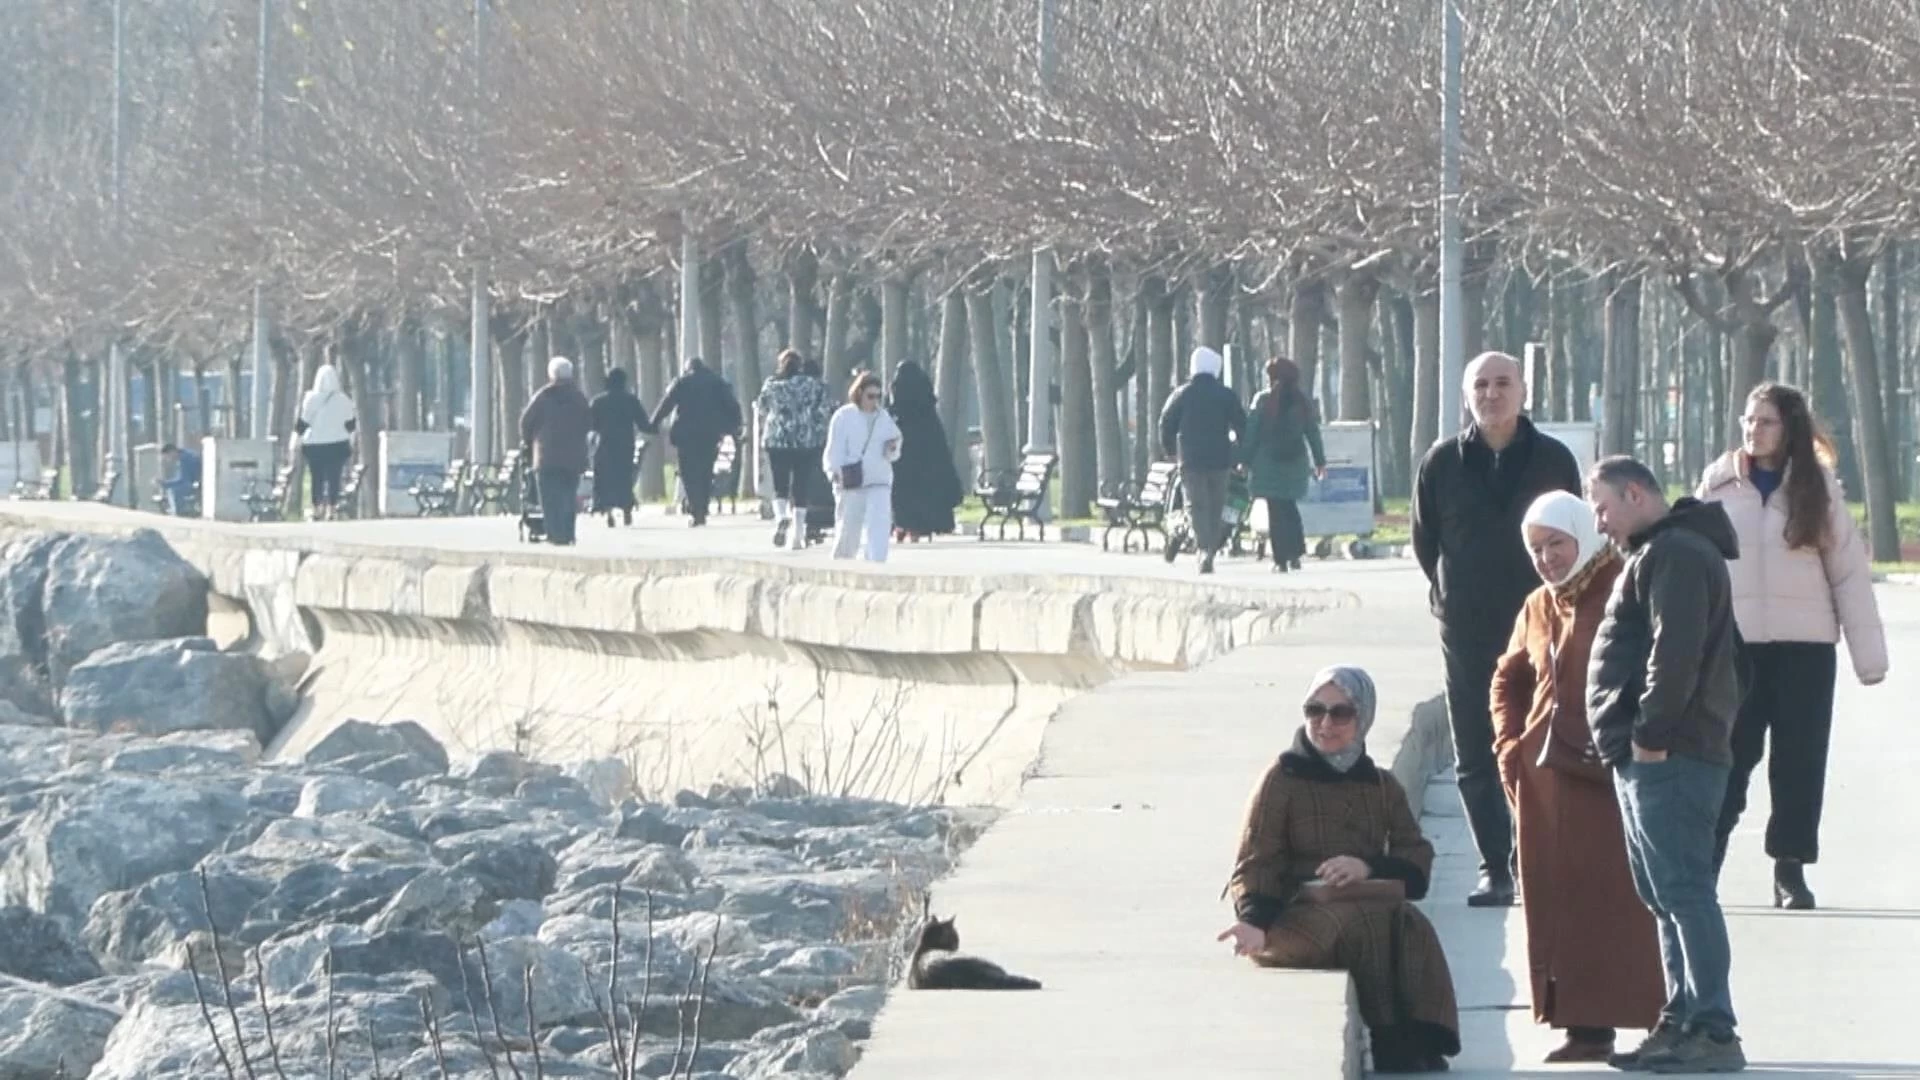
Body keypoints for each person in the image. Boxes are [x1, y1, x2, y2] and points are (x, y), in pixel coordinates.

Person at [1696, 382, 1887, 909]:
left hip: (1806, 650)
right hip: (1737, 650)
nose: (1753, 431)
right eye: (1748, 421)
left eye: (1766, 422)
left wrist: (1868, 659)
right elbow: (1693, 568)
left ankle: (1790, 869)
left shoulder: (1817, 489)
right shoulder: (1716, 485)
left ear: (1789, 429)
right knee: (1728, 758)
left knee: (1800, 762)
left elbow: (1848, 573)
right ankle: (1704, 862)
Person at [1490, 491, 1664, 1063]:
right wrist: (1509, 748)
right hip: (1544, 783)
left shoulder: (1625, 587)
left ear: (1583, 535)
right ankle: (1583, 1029)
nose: (1547, 559)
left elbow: (1661, 669)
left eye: (1556, 544)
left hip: (1614, 776)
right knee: (1558, 903)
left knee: (1620, 903)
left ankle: (1654, 1018)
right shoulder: (1539, 605)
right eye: (1536, 549)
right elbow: (1507, 679)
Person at [1585, 455, 1746, 1074]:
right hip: (1647, 752)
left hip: (1670, 752)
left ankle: (1712, 1026)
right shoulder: (1659, 552)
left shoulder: (1675, 553)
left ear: (1633, 494)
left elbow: (1672, 654)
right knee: (1664, 894)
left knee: (1684, 890)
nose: (1600, 523)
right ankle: (1681, 1019)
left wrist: (1651, 734)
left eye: (1602, 507)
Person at [1219, 666, 1461, 1073]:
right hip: (1289, 917)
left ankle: (1422, 1035)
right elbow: (1256, 859)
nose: (1325, 723)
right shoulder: (1282, 779)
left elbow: (1415, 853)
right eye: (1315, 710)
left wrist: (1367, 866)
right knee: (1364, 923)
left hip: (1357, 906)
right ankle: (1390, 1041)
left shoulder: (1380, 785)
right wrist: (1253, 921)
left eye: (1340, 713)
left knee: (1410, 923)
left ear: (1362, 718)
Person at [1411, 350, 1580, 906]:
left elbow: (1576, 534)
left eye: (1502, 383)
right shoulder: (1441, 464)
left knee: (1541, 742)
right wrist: (1451, 594)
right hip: (1467, 627)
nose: (1491, 394)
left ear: (1524, 392)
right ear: (1466, 396)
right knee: (1477, 750)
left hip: (1540, 623)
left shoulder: (1554, 459)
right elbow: (1425, 540)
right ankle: (1495, 866)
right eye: (1480, 385)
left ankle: (1536, 857)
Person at [1157, 346, 1246, 574]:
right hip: (1220, 460)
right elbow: (1242, 426)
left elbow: (1165, 423)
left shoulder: (1182, 394)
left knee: (1195, 505)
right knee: (1216, 506)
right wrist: (1240, 455)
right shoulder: (1226, 395)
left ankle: (1204, 549)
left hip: (1191, 459)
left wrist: (1170, 450)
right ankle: (1210, 549)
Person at [1241, 356, 1326, 572]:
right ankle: (1296, 553)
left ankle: (1280, 559)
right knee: (1290, 507)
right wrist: (1320, 461)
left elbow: (1251, 433)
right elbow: (1312, 433)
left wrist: (1244, 459)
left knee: (1276, 511)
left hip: (1267, 463)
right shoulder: (1302, 401)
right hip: (1295, 463)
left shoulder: (1262, 401)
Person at [651, 356, 742, 527]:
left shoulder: (681, 382)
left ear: (688, 369)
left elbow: (667, 404)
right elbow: (732, 405)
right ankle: (703, 506)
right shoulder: (717, 382)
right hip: (710, 433)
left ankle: (695, 507)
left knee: (688, 472)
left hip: (686, 435)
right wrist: (734, 425)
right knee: (706, 471)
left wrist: (653, 423)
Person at [822, 371, 903, 563]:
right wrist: (834, 471)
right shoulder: (844, 416)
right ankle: (842, 562)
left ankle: (877, 562)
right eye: (870, 396)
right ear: (859, 393)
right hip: (851, 479)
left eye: (878, 396)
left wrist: (892, 449)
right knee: (849, 528)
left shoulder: (883, 417)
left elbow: (896, 442)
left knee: (880, 524)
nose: (874, 401)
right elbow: (835, 447)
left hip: (879, 478)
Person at [755, 348, 831, 550]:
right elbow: (823, 411)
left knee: (780, 485)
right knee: (801, 487)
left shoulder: (771, 385)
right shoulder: (814, 386)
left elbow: (762, 408)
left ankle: (781, 517)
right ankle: (797, 536)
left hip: (777, 440)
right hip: (805, 441)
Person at [887, 360, 963, 541]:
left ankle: (901, 525)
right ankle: (916, 529)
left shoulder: (898, 411)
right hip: (926, 462)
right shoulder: (927, 410)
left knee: (902, 494)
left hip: (903, 460)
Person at [519, 356, 592, 546]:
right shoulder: (578, 397)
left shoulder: (542, 397)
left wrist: (530, 441)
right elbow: (588, 422)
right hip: (573, 457)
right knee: (568, 495)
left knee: (550, 498)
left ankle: (555, 533)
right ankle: (568, 532)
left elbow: (526, 422)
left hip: (546, 456)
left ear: (551, 375)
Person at [588, 367, 655, 528]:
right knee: (623, 477)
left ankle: (608, 510)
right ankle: (626, 508)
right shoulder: (631, 400)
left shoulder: (598, 401)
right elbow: (643, 424)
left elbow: (591, 424)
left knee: (604, 477)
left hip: (604, 445)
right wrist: (654, 426)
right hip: (625, 445)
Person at [296, 363, 357, 521]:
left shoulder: (310, 398)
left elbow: (303, 421)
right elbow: (351, 425)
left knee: (317, 477)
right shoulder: (344, 399)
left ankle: (317, 508)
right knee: (334, 477)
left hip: (314, 445)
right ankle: (331, 508)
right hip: (338, 444)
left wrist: (296, 439)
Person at [158, 442, 202, 516]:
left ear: (172, 452)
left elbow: (184, 480)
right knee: (173, 488)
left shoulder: (185, 458)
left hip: (197, 483)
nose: (168, 459)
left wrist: (165, 483)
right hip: (196, 481)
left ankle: (179, 513)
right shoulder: (186, 454)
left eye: (167, 456)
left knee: (174, 490)